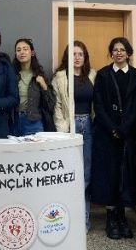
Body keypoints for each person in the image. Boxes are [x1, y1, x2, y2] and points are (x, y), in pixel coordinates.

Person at [91, 37, 136, 240]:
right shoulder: (103, 74)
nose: (119, 53)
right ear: (111, 53)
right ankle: (111, 217)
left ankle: (123, 216)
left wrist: (124, 129)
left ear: (128, 53)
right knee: (109, 175)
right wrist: (112, 128)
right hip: (107, 135)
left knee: (126, 174)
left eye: (122, 49)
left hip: (129, 136)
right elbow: (98, 105)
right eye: (115, 49)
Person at [52, 40, 96, 229]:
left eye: (80, 54)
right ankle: (67, 219)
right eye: (73, 54)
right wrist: (63, 132)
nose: (77, 57)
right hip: (69, 128)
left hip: (89, 126)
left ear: (85, 57)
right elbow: (57, 107)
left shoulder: (93, 75)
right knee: (68, 172)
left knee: (86, 173)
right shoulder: (60, 77)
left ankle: (83, 220)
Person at [12, 38, 56, 136]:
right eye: (18, 50)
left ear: (32, 53)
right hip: (14, 122)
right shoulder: (11, 75)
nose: (22, 52)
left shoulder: (39, 75)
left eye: (25, 49)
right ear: (16, 54)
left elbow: (51, 105)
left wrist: (44, 86)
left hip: (33, 123)